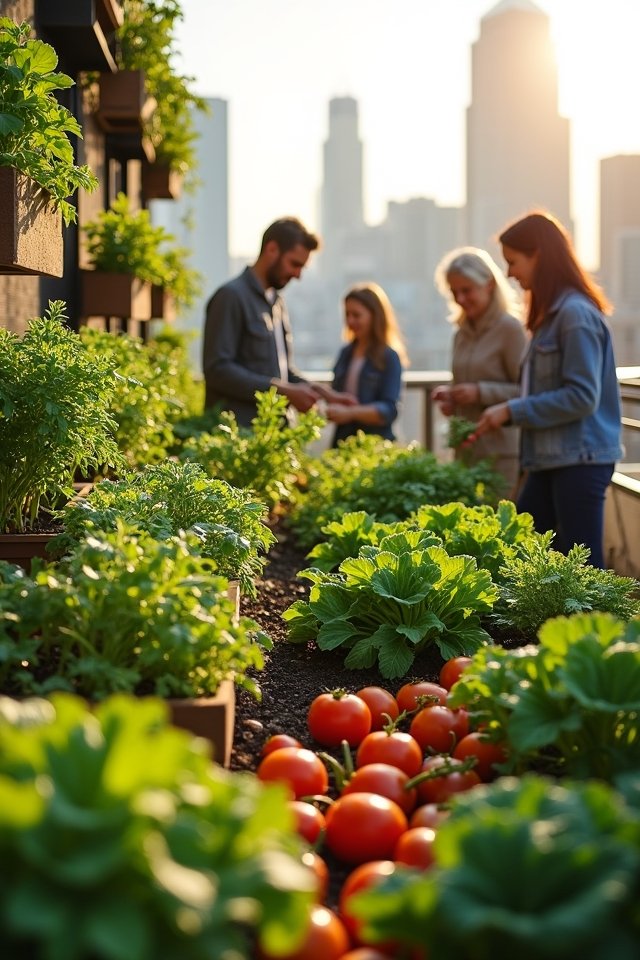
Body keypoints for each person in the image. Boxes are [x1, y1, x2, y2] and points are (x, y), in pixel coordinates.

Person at [475, 210, 623, 568]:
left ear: (538, 254)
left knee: (582, 574)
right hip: (551, 460)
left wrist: (511, 410)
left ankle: (595, 627)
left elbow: (582, 396)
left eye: (513, 262)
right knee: (526, 556)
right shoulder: (552, 317)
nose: (510, 273)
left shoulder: (574, 315)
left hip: (578, 460)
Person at [202, 217, 352, 425]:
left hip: (274, 434)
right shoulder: (230, 297)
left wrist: (323, 393)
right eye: (294, 264)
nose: (298, 275)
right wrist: (284, 391)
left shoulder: (277, 303)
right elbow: (218, 370)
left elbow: (283, 373)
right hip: (238, 437)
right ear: (272, 249)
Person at [432, 247, 527, 495]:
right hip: (465, 449)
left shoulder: (510, 330)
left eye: (466, 291)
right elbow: (463, 385)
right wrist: (452, 398)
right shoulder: (460, 333)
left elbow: (528, 391)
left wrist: (480, 392)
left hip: (502, 454)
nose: (460, 299)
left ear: (489, 285)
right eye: (454, 292)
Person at [325, 282, 408, 445]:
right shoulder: (345, 353)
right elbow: (336, 394)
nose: (350, 321)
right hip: (343, 442)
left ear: (374, 316)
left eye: (356, 315)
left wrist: (351, 413)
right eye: (347, 315)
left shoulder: (389, 357)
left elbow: (389, 410)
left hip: (375, 444)